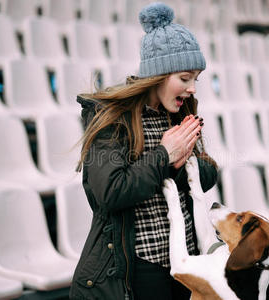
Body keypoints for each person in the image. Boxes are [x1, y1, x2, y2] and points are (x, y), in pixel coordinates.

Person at [69, 3, 218, 300]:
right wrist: (164, 155)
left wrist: (179, 163)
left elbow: (208, 170)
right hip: (141, 266)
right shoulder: (113, 118)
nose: (192, 89)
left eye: (195, 79)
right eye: (185, 78)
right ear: (158, 75)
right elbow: (110, 192)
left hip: (184, 260)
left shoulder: (178, 111)